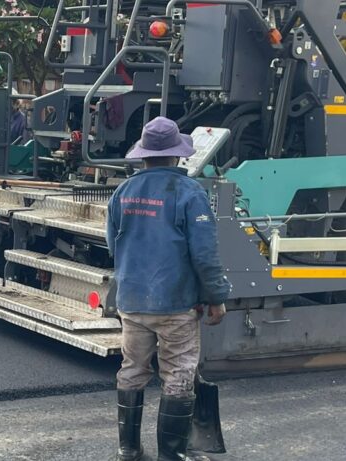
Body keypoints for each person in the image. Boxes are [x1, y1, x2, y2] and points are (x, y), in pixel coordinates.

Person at [106, 117, 232, 461]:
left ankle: (128, 451)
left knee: (132, 369)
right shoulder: (190, 193)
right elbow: (204, 254)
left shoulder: (123, 192)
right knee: (177, 374)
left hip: (132, 301)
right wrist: (216, 297)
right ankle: (171, 455)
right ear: (177, 156)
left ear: (143, 155)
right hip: (175, 303)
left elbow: (113, 246)